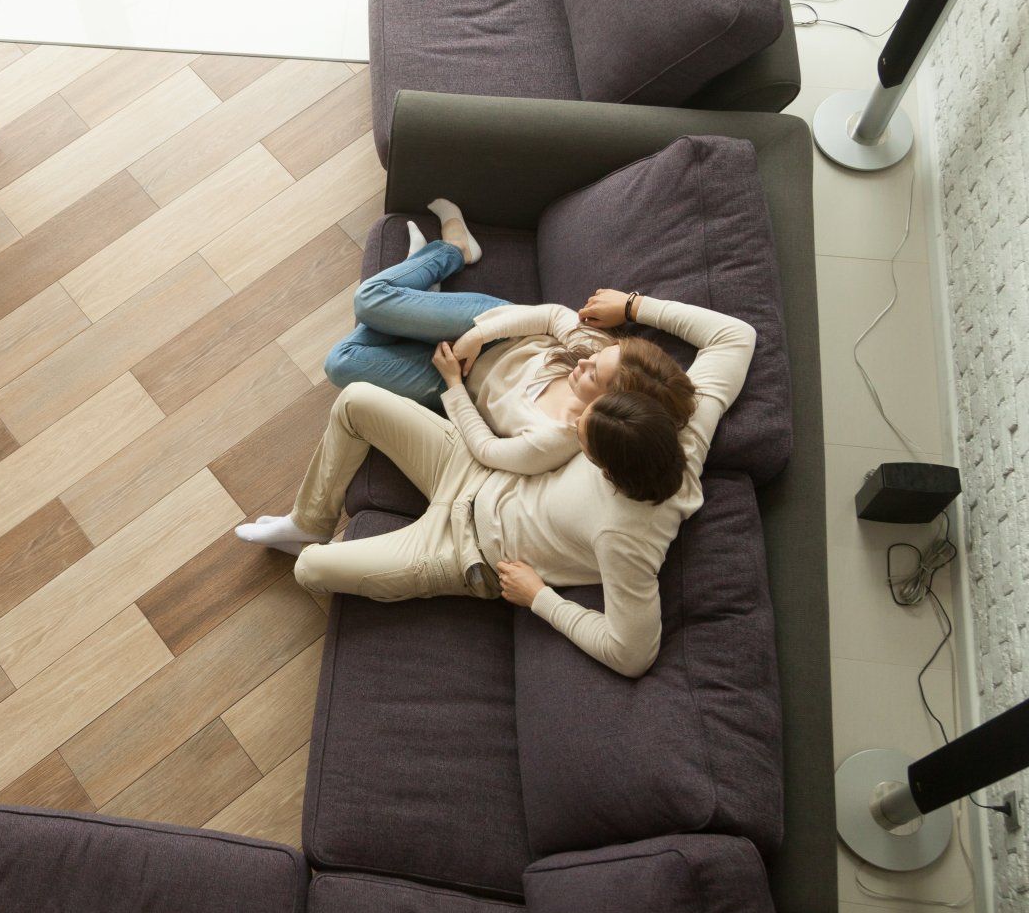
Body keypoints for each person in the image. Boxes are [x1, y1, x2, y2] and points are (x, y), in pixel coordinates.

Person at [239, 278, 756, 678]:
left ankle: (312, 545)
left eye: (582, 437)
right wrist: (633, 307)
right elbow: (736, 336)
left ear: (607, 470)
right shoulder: (688, 424)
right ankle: (309, 518)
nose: (573, 428)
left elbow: (632, 654)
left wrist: (540, 598)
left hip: (468, 553)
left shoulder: (627, 539)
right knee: (353, 401)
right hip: (472, 469)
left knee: (310, 569)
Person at [317, 198, 695, 476]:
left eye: (594, 375)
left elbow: (487, 449)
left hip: (456, 383)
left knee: (340, 364)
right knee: (369, 300)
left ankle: (418, 285)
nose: (583, 362)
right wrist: (478, 335)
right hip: (491, 329)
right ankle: (454, 250)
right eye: (596, 358)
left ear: (612, 407)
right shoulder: (601, 352)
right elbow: (549, 316)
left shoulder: (552, 441)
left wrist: (452, 384)